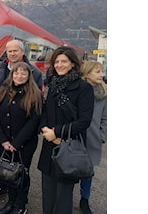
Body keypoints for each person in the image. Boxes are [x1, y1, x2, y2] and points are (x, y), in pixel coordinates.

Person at [38, 46, 94, 214]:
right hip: (49, 146)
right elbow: (44, 112)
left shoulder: (84, 88)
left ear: (72, 64)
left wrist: (56, 133)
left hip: (69, 147)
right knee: (47, 193)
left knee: (63, 196)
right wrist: (46, 130)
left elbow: (84, 121)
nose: (59, 65)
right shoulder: (53, 85)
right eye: (56, 62)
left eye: (64, 61)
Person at [0, 39, 43, 200]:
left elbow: (37, 106)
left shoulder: (35, 72)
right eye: (9, 51)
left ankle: (19, 201)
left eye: (15, 51)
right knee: (3, 158)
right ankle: (2, 187)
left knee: (20, 167)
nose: (12, 54)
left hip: (22, 129)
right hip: (4, 128)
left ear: (22, 52)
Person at [78, 61, 107, 214]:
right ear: (87, 73)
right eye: (98, 72)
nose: (102, 75)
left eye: (102, 72)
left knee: (88, 172)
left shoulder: (104, 94)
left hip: (93, 140)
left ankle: (85, 199)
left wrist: (102, 136)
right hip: (77, 138)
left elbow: (106, 118)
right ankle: (66, 197)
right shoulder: (78, 90)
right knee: (71, 168)